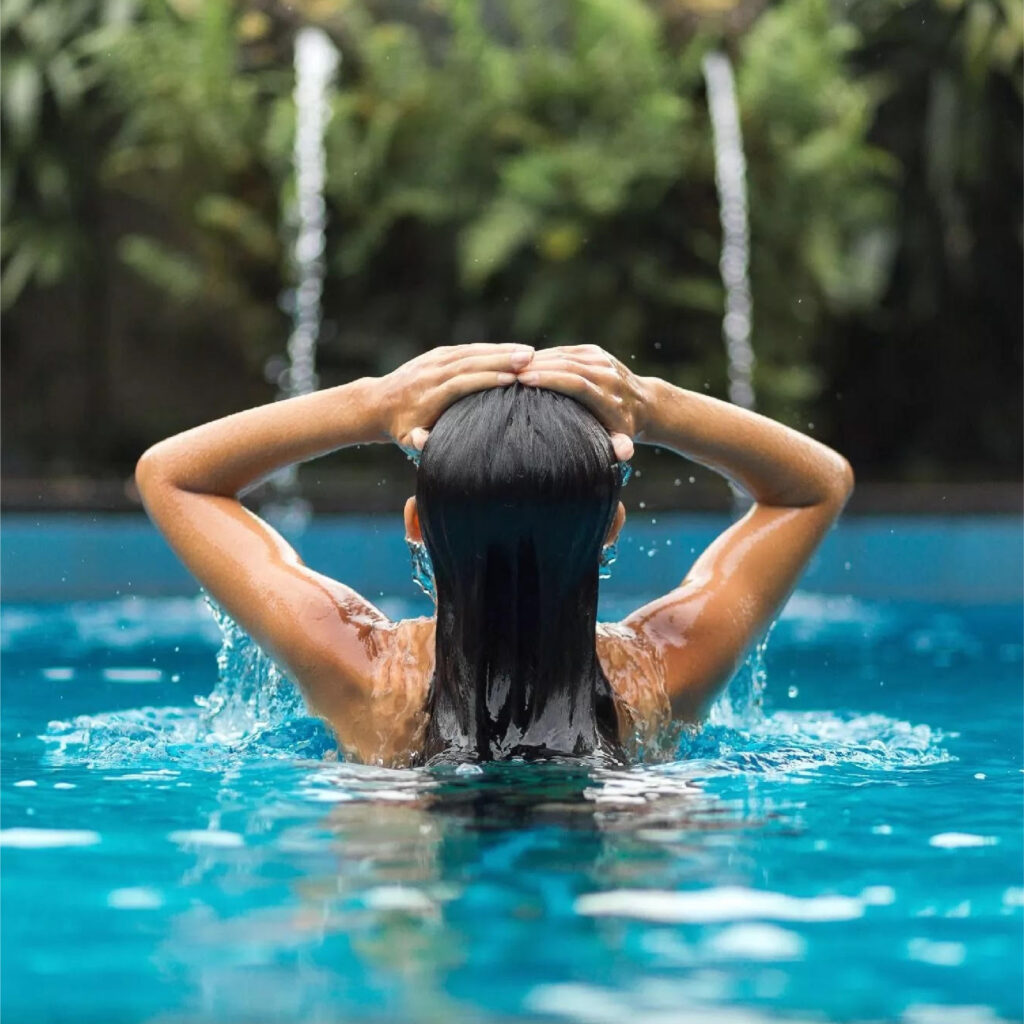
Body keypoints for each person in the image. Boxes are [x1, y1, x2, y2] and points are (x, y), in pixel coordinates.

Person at [136, 343, 853, 766]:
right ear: (613, 528)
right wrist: (654, 403)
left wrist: (371, 402)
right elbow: (814, 487)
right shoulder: (663, 673)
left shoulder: (361, 672)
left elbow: (173, 475)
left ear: (416, 524)